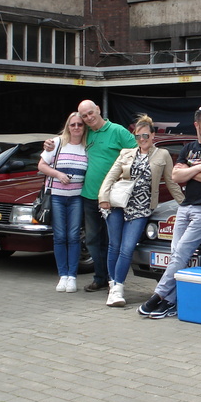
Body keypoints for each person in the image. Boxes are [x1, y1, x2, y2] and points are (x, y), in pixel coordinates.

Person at [138, 105, 201, 319]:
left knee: (181, 253)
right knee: (176, 254)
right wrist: (199, 168)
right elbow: (176, 177)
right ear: (197, 125)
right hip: (185, 206)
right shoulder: (188, 147)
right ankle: (171, 302)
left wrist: (189, 171)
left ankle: (158, 296)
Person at [44, 100, 136, 293]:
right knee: (93, 240)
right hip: (88, 195)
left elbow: (137, 153)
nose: (88, 118)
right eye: (84, 116)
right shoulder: (87, 133)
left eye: (90, 113)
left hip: (112, 197)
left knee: (112, 241)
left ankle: (115, 280)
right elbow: (68, 136)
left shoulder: (117, 131)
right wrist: (50, 144)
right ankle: (100, 277)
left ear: (98, 110)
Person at [99, 114, 184, 307]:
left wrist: (185, 203)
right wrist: (103, 198)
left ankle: (117, 286)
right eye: (138, 136)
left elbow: (171, 182)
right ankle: (114, 287)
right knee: (114, 246)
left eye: (146, 135)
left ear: (153, 135)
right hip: (118, 204)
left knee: (128, 248)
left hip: (142, 207)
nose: (142, 140)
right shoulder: (126, 153)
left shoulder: (162, 155)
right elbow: (111, 177)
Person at [38, 112, 88, 293]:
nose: (76, 128)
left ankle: (72, 276)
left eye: (80, 125)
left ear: (84, 128)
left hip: (76, 197)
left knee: (74, 236)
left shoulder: (87, 146)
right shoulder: (57, 143)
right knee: (59, 236)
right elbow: (41, 165)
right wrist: (58, 174)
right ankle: (63, 275)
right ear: (68, 126)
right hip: (57, 196)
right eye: (72, 124)